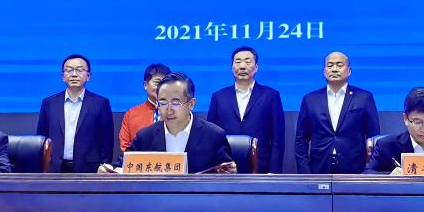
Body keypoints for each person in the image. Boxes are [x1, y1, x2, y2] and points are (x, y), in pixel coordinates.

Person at [99, 71, 236, 174]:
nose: (169, 110)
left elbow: (225, 173)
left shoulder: (213, 135)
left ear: (191, 104)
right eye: (163, 103)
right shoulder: (145, 136)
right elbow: (123, 165)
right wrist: (108, 170)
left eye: (176, 103)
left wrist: (230, 172)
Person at [295, 51, 381, 174]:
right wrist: (305, 173)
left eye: (339, 65)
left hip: (355, 169)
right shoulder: (310, 99)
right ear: (324, 71)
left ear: (349, 71)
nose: (334, 69)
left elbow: (373, 138)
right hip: (318, 168)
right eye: (330, 65)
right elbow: (301, 139)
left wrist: (369, 170)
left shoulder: (364, 97)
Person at [206, 46, 285, 173]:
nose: (242, 66)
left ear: (256, 67)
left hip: (261, 168)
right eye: (238, 62)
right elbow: (210, 136)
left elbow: (277, 139)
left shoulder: (271, 95)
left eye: (248, 62)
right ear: (232, 67)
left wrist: (274, 172)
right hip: (225, 168)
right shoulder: (218, 97)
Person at [38, 53, 114, 173]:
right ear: (63, 76)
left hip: (89, 169)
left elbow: (107, 141)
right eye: (69, 70)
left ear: (88, 76)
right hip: (55, 168)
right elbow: (41, 138)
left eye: (79, 70)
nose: (74, 74)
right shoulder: (49, 103)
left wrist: (104, 167)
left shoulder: (101, 103)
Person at [119, 63, 170, 153]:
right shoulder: (132, 114)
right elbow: (125, 147)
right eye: (157, 82)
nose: (162, 87)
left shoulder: (176, 112)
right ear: (145, 85)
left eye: (165, 83)